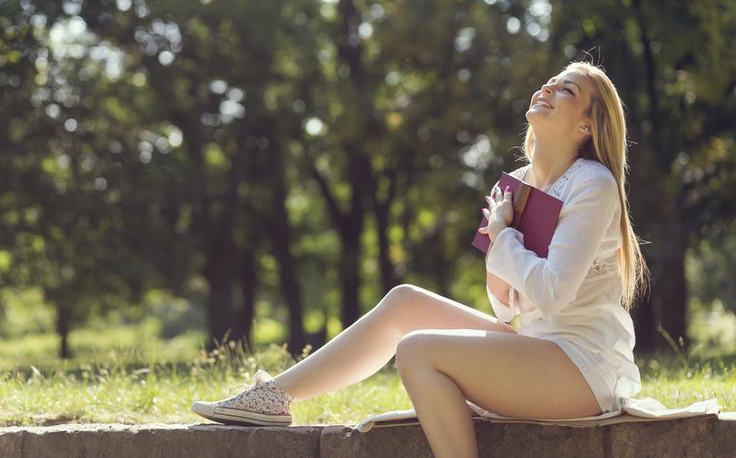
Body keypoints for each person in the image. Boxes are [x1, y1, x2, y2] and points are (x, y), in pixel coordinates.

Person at [191, 61, 651, 458]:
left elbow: (552, 294)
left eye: (566, 89)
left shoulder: (593, 182)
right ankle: (274, 396)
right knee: (404, 301)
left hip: (581, 369)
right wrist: (501, 249)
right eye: (550, 81)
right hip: (535, 345)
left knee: (417, 349)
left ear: (587, 126)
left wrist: (503, 236)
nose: (548, 88)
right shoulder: (514, 182)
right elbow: (510, 309)